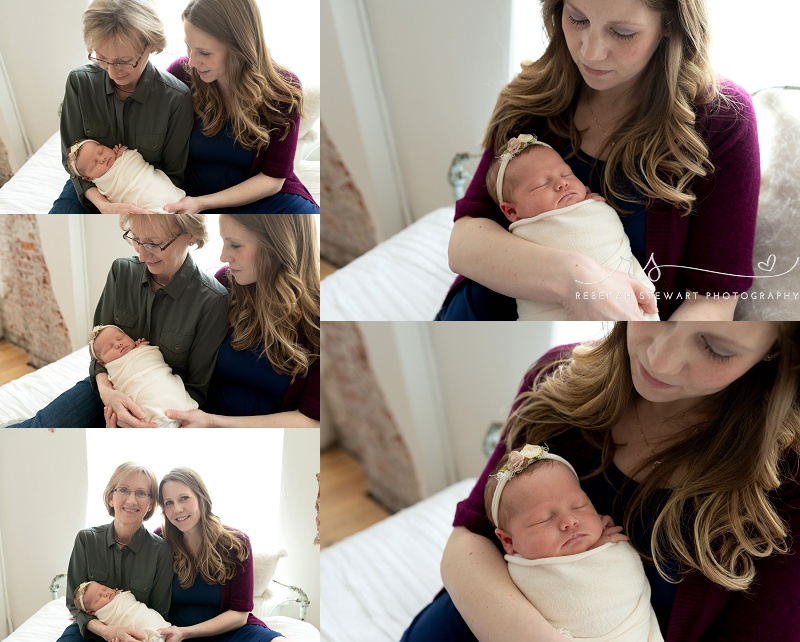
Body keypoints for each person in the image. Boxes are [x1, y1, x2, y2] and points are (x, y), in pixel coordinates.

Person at [402, 322, 800, 641]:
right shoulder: (555, 380)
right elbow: (470, 536)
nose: (659, 361)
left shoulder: (788, 480)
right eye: (657, 314)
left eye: (716, 348)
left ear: (776, 349)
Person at [438, 0, 759, 321]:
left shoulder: (722, 119)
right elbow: (464, 241)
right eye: (577, 19)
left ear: (669, 25)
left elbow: (712, 299)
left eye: (622, 32)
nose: (591, 52)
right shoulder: (529, 99)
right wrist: (573, 277)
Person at [13, 214, 228, 428]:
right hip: (106, 390)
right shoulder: (122, 272)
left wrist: (145, 418)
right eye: (136, 239)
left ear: (190, 235)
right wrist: (107, 393)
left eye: (154, 243)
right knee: (41, 426)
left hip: (159, 410)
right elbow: (96, 349)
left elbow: (196, 389)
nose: (142, 256)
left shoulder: (212, 301)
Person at [485, 445, 662, 641]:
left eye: (579, 506)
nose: (570, 521)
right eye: (544, 519)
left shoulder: (609, 542)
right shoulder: (514, 577)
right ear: (509, 541)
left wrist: (597, 553)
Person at [162, 215, 320, 428]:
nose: (223, 256)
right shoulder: (225, 283)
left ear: (277, 246)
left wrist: (211, 423)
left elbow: (312, 421)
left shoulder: (324, 316)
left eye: (235, 245)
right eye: (224, 242)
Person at [164, 0, 319, 214]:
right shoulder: (181, 75)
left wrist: (203, 203)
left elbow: (273, 178)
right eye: (188, 46)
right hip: (192, 196)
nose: (192, 61)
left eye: (205, 53)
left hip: (263, 197)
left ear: (238, 47)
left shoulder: (283, 90)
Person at [486, 134, 657, 320]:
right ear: (511, 211)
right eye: (541, 184)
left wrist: (587, 208)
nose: (562, 183)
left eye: (566, 173)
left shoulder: (590, 205)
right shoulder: (522, 237)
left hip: (628, 300)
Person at [52, 0, 193, 214]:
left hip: (144, 194)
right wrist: (103, 204)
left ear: (151, 45)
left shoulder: (176, 98)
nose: (112, 71)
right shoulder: (80, 83)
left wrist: (133, 203)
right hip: (89, 190)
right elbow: (70, 157)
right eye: (102, 59)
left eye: (124, 61)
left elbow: (172, 174)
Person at [156, 467, 284, 641]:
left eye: (184, 498)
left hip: (232, 631)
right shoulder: (160, 541)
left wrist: (186, 632)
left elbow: (239, 614)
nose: (177, 509)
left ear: (201, 498)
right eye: (168, 502)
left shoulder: (236, 543)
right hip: (179, 636)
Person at [57, 462, 173, 642]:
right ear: (111, 497)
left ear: (150, 504)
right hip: (90, 629)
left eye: (141, 493)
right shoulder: (86, 540)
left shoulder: (162, 552)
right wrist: (106, 631)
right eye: (124, 490)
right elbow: (73, 603)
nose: (132, 500)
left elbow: (158, 612)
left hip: (138, 633)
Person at [89, 324, 198, 428]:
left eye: (120, 338)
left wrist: (142, 349)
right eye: (109, 348)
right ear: (102, 363)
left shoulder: (142, 350)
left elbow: (155, 357)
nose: (118, 344)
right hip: (149, 415)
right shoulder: (112, 369)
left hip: (175, 398)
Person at [68, 140, 186, 214]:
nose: (102, 159)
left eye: (101, 151)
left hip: (154, 184)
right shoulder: (101, 184)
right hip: (145, 203)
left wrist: (124, 157)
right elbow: (113, 197)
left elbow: (136, 159)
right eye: (94, 164)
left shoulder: (124, 157)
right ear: (88, 179)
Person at [74, 581, 171, 642]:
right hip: (136, 626)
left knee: (151, 620)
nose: (105, 593)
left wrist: (119, 596)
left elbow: (129, 598)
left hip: (145, 614)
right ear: (91, 612)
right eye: (98, 597)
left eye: (103, 588)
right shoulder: (102, 615)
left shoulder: (117, 595)